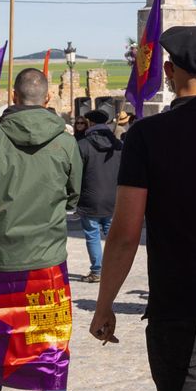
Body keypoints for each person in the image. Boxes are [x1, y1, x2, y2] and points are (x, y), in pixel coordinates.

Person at [90, 26, 196, 391]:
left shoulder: (147, 136)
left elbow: (125, 233)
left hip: (181, 307)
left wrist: (105, 303)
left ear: (169, 72)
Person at [0, 68, 81, 391]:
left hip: (1, 257)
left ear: (13, 98)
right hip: (48, 260)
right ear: (47, 100)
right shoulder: (66, 142)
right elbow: (74, 198)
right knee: (51, 341)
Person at [76, 109, 122, 283]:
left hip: (91, 197)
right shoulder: (118, 145)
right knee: (113, 236)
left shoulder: (83, 144)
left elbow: (76, 173)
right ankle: (116, 269)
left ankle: (97, 271)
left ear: (91, 124)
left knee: (92, 235)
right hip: (114, 197)